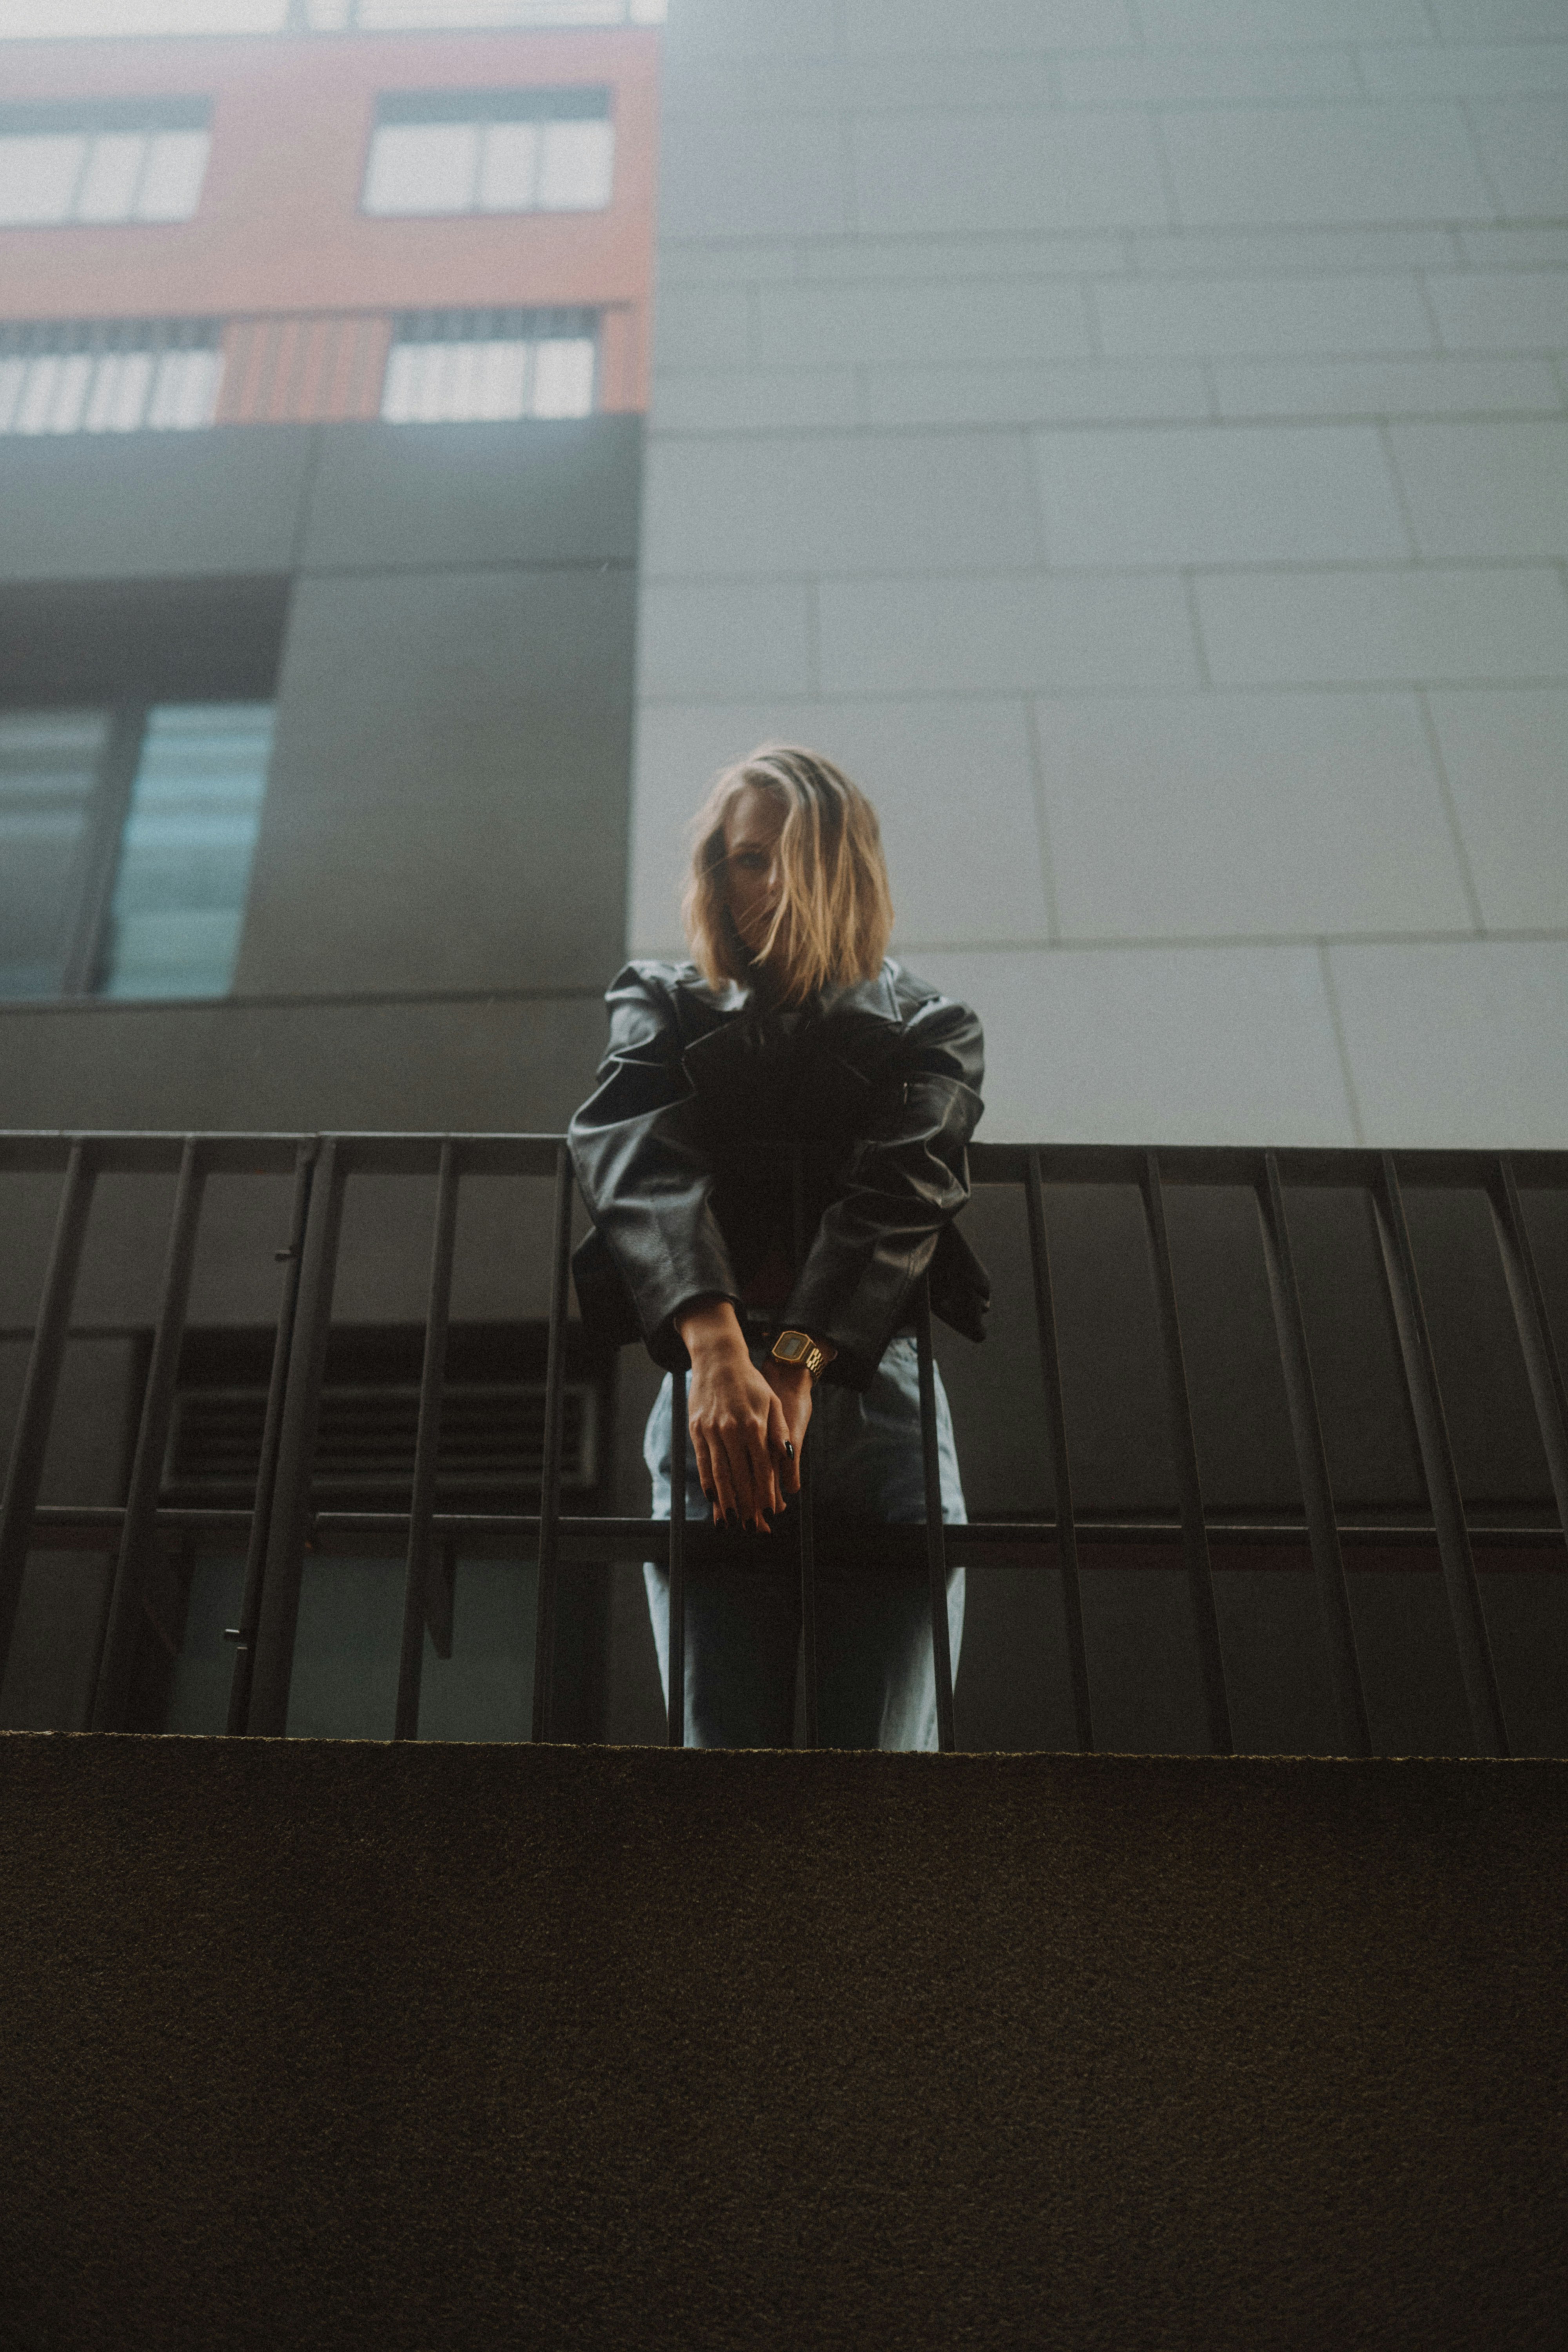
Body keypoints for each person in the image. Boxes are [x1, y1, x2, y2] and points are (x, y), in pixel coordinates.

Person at [567, 745, 987, 1749]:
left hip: (873, 1390)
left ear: (845, 868)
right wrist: (718, 1354)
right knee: (725, 1773)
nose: (765, 883)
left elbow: (897, 1196)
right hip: (710, 1388)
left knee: (883, 1775)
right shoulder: (660, 998)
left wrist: (795, 1365)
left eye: (789, 857)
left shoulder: (933, 1025)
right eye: (744, 859)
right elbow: (636, 1155)